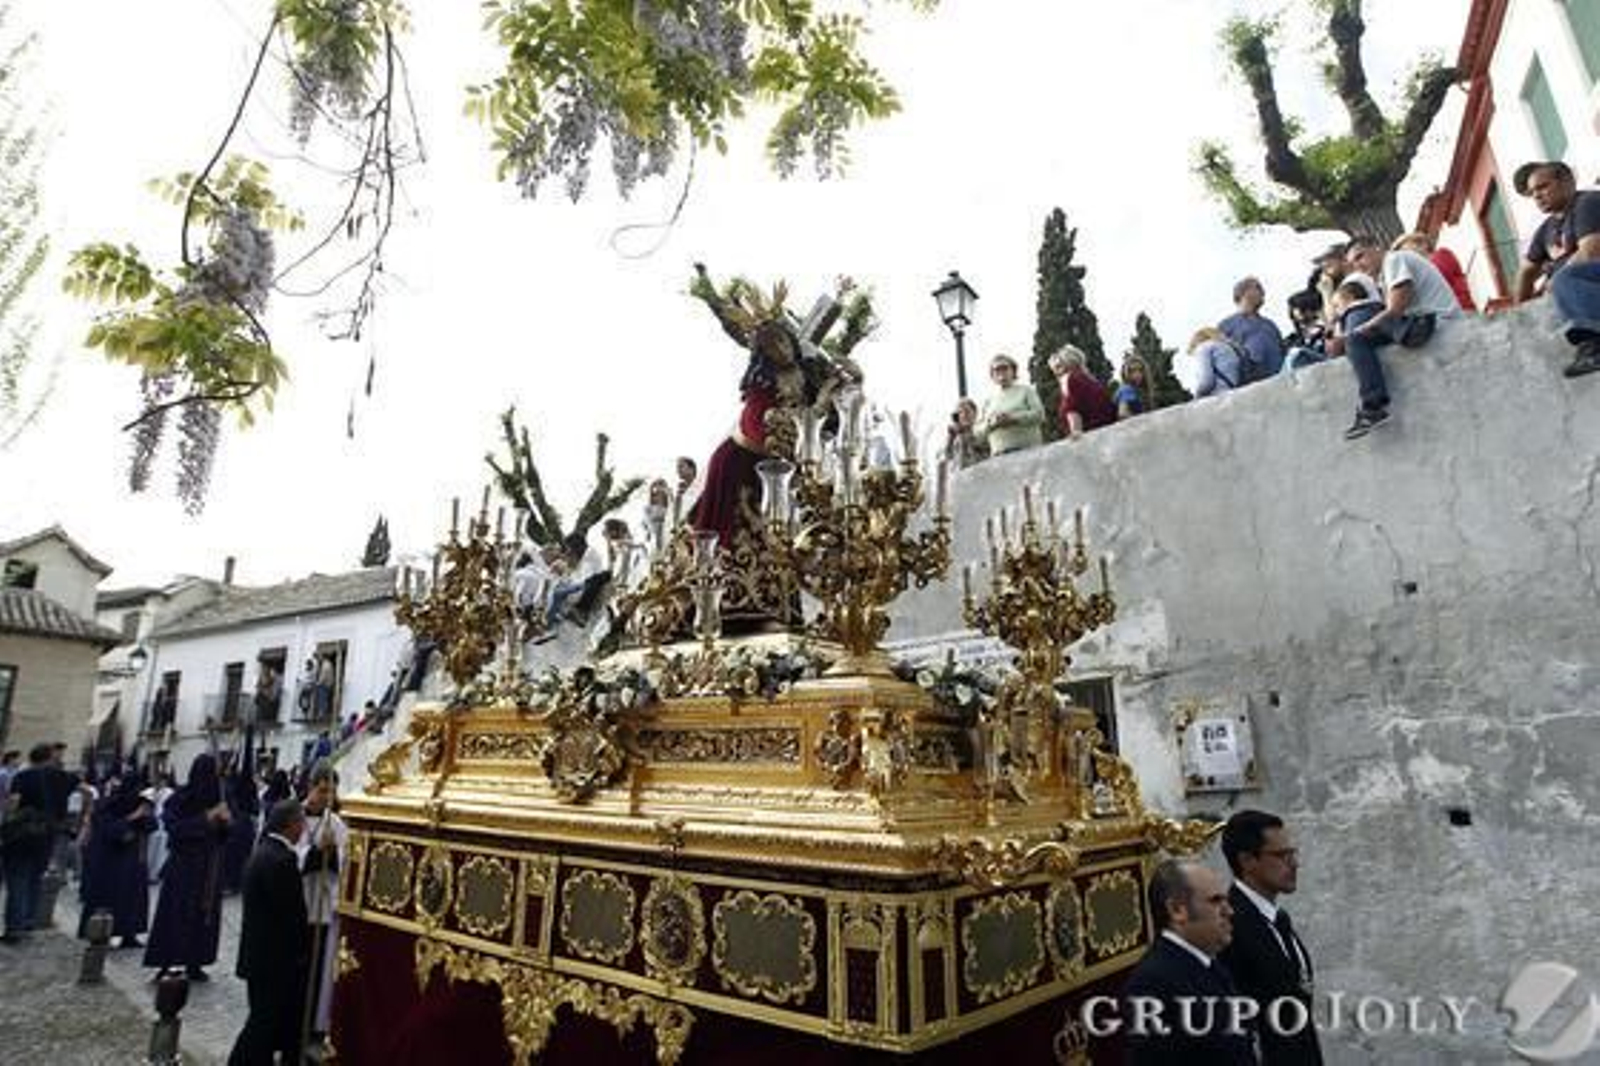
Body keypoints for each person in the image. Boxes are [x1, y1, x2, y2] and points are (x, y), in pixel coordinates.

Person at [1121, 859, 1256, 1065]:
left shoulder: (1211, 966)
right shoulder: (1152, 984)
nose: (1229, 911)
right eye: (1215, 901)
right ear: (1177, 910)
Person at [1334, 234, 1464, 440]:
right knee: (1356, 339)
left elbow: (1396, 308)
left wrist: (1363, 328)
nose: (1359, 266)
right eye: (1353, 263)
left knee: (1357, 333)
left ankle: (1373, 406)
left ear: (1377, 247)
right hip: (1419, 323)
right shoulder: (1384, 276)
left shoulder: (1394, 259)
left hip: (1434, 322)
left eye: (1361, 257)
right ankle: (1372, 407)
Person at [1218, 811, 1322, 1065]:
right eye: (1281, 855)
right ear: (1247, 860)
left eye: (1293, 853)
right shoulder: (1231, 925)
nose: (1294, 863)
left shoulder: (1277, 918)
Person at [229, 799, 311, 1066]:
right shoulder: (282, 859)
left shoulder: (263, 851)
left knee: (264, 1018)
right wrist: (303, 949)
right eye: (301, 822)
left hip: (259, 956)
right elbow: (292, 913)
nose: (303, 829)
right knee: (263, 1022)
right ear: (291, 824)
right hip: (274, 959)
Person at [144, 753, 231, 980]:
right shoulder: (180, 798)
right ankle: (165, 961)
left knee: (203, 915)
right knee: (175, 914)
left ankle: (195, 961)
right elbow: (175, 829)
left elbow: (225, 836)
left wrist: (227, 822)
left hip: (209, 866)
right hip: (183, 866)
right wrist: (207, 817)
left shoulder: (219, 797)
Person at [1514, 160, 1600, 378]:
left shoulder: (1587, 202)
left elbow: (1590, 252)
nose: (1537, 195)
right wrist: (1519, 310)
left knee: (1565, 277)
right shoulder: (1545, 229)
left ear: (1567, 182)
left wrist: (1553, 283)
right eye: (1532, 192)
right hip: (1576, 284)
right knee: (1564, 279)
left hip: (1591, 278)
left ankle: (1595, 345)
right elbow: (1525, 272)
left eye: (1543, 187)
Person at [78, 770, 157, 948]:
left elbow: (152, 825)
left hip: (134, 857)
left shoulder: (141, 803)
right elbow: (108, 830)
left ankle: (129, 933)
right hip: (110, 860)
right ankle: (100, 932)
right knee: (109, 897)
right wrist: (132, 817)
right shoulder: (108, 804)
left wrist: (145, 816)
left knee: (133, 898)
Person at [300, 763, 348, 1045]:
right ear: (311, 788)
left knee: (319, 967)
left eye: (332, 791)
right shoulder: (294, 816)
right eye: (322, 790)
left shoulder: (337, 823)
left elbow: (344, 860)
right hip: (301, 900)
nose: (327, 797)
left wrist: (335, 854)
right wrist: (317, 852)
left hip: (323, 905)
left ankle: (315, 1023)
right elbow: (290, 856)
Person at [2, 743, 69, 942]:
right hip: (47, 833)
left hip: (22, 833)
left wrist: (8, 821)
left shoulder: (23, 776)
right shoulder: (61, 777)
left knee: (17, 878)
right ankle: (29, 921)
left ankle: (15, 927)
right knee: (34, 878)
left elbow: (13, 802)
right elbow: (84, 794)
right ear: (49, 757)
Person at [977, 353, 1046, 456]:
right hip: (999, 454)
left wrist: (1014, 418)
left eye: (1004, 368)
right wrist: (991, 423)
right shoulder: (989, 401)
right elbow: (978, 432)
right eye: (997, 370)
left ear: (1013, 371)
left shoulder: (1026, 391)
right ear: (992, 375)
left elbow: (1039, 414)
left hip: (1028, 450)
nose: (1001, 372)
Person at [1219, 275, 1285, 379]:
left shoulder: (1270, 325)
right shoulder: (1226, 326)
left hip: (1280, 382)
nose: (1263, 292)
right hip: (1251, 388)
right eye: (1257, 288)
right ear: (1243, 293)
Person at [1395, 231, 1475, 312]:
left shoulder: (1441, 254)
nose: (1405, 255)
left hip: (1462, 312)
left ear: (1422, 243)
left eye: (1405, 249)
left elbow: (1438, 275)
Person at [1048, 345, 1117, 437]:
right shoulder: (1091, 380)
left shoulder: (1068, 378)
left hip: (1091, 437)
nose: (1056, 374)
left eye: (1058, 367)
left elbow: (1072, 408)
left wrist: (1075, 432)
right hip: (1108, 432)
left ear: (1068, 363)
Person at [1188, 327, 1244, 397]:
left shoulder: (1203, 348)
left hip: (1217, 395)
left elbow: (1207, 382)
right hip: (1234, 392)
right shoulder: (1231, 348)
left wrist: (1197, 396)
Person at [943, 397, 988, 469]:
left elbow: (982, 446)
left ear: (975, 413)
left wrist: (967, 433)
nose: (964, 415)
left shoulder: (981, 428)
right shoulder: (956, 437)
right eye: (960, 412)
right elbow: (948, 457)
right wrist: (951, 438)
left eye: (967, 411)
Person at [1114, 354, 1152, 419]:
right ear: (1126, 373)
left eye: (1140, 370)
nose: (1137, 374)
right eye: (1132, 371)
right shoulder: (1126, 389)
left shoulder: (1139, 390)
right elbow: (1123, 413)